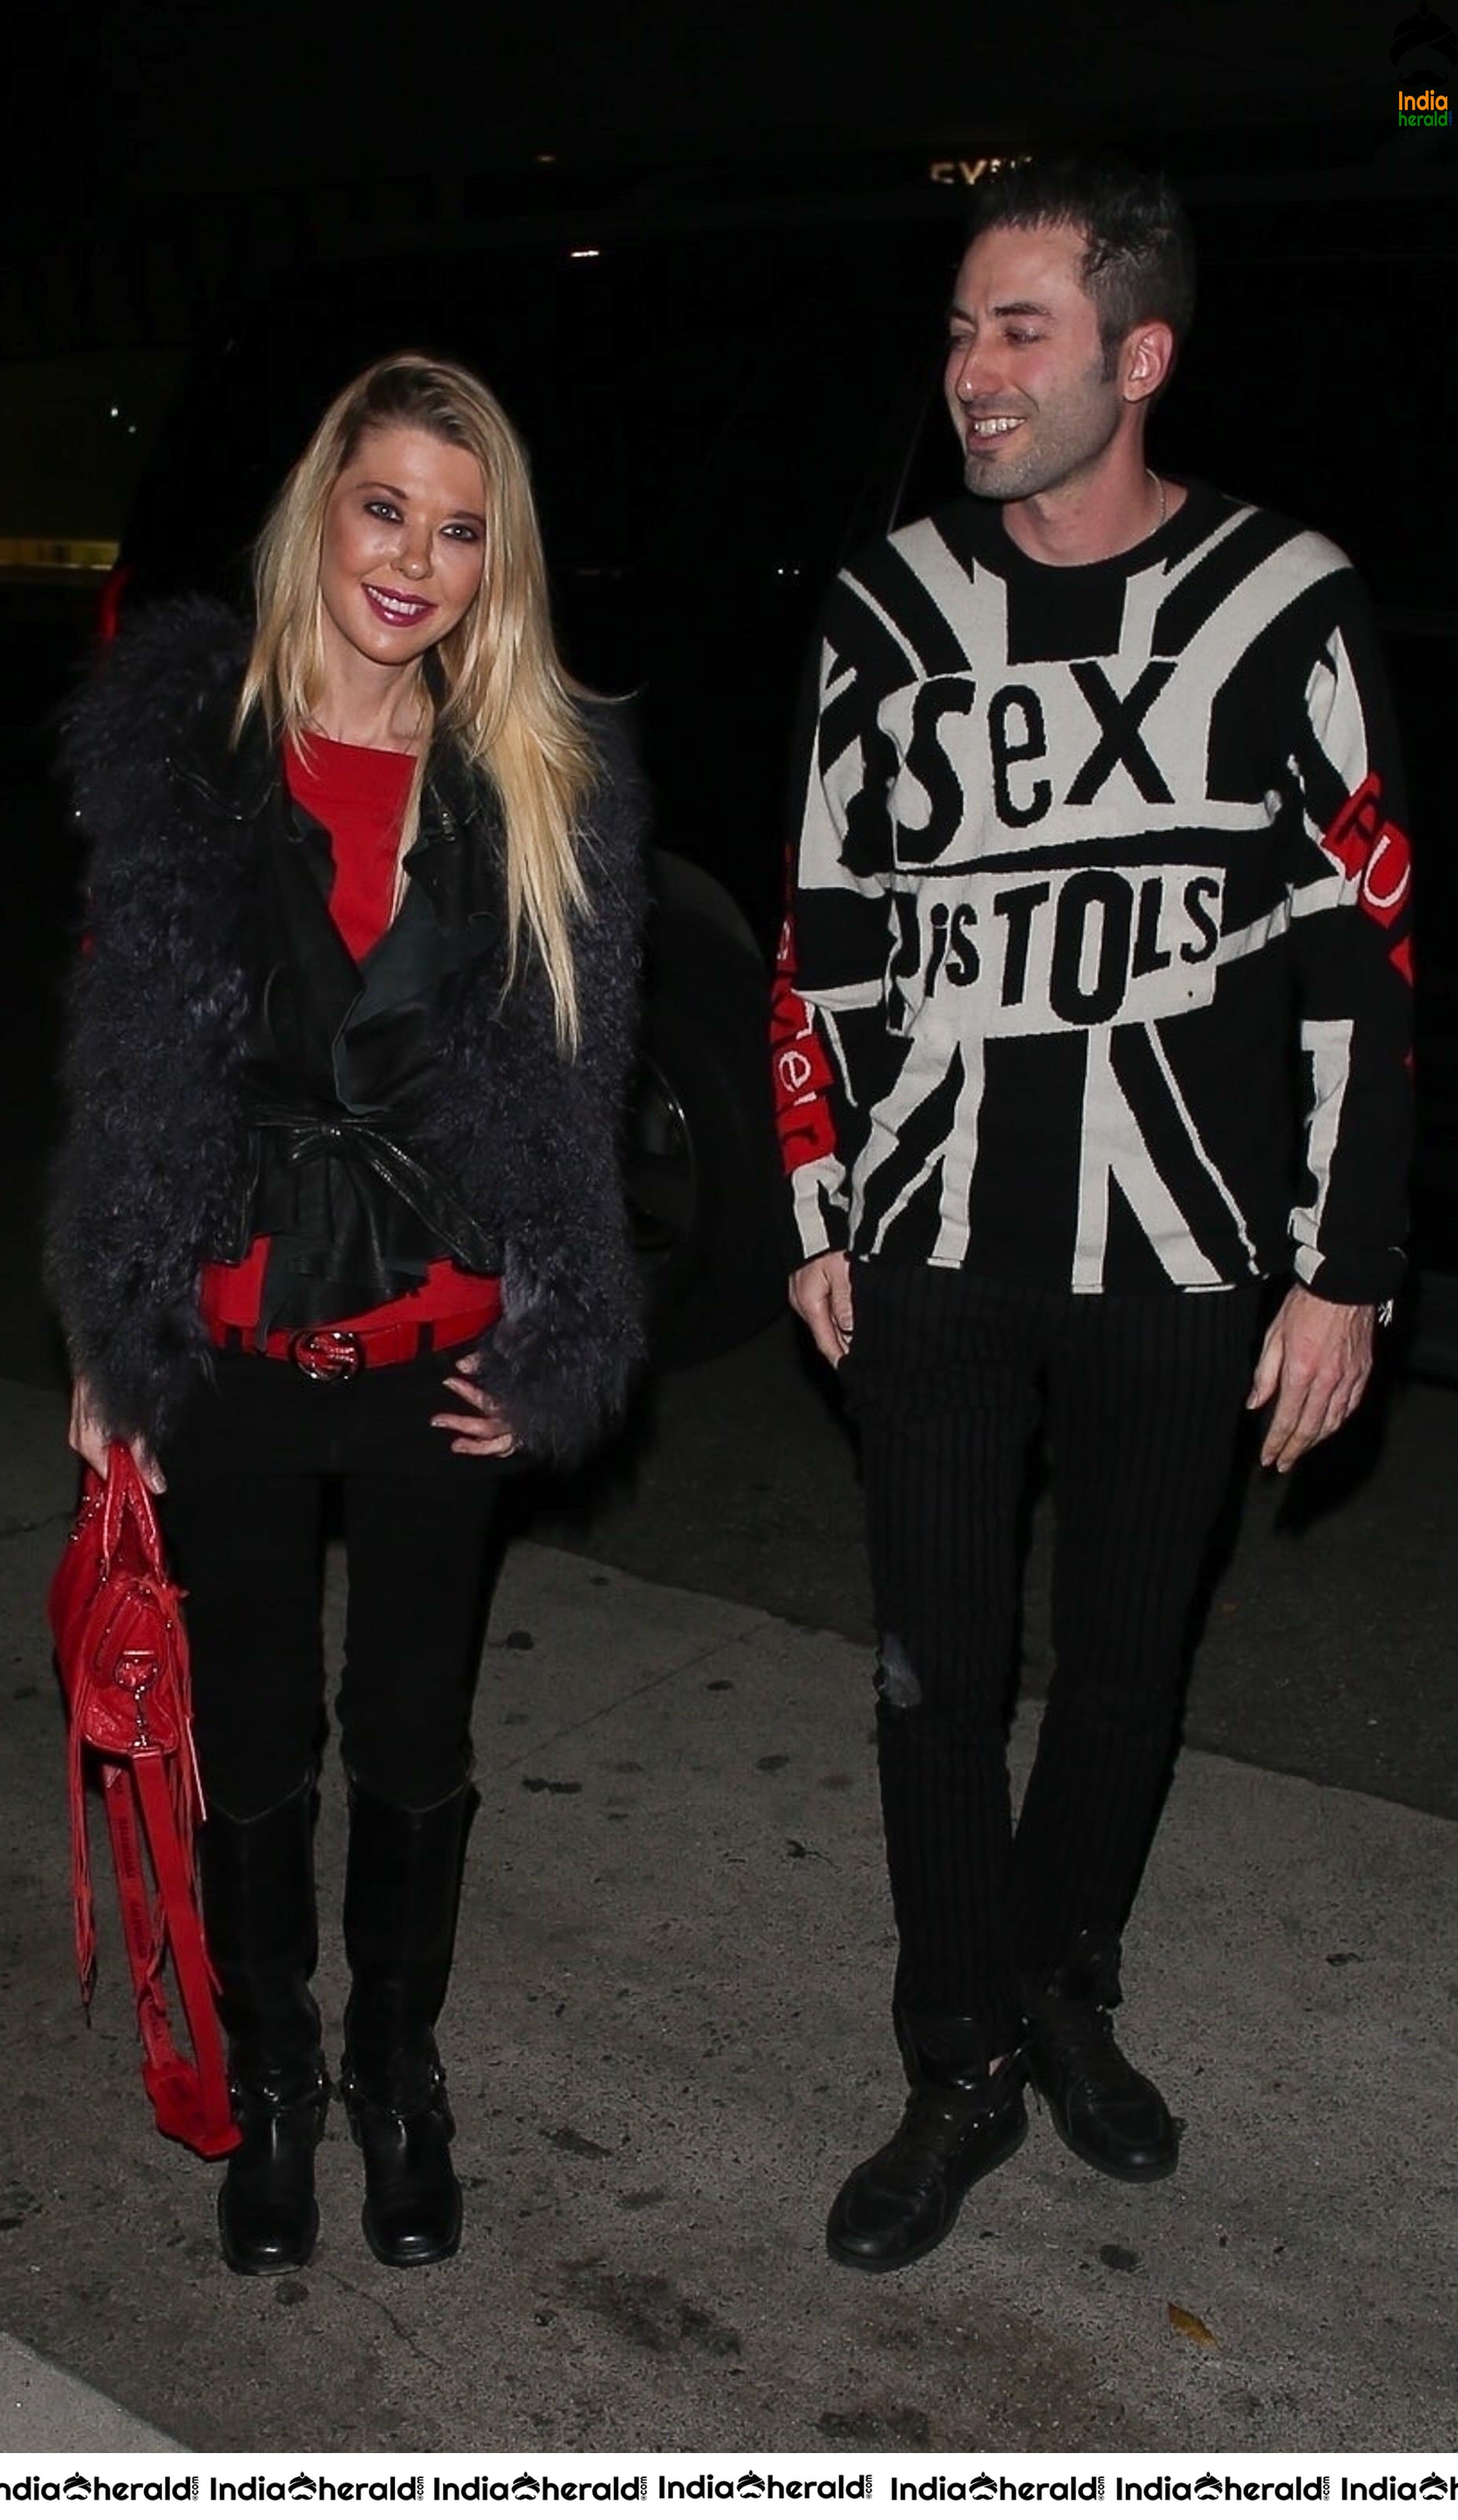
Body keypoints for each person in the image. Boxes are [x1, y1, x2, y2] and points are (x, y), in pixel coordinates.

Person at [772, 160, 1412, 2270]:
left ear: (1134, 355)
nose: (967, 372)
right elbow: (820, 938)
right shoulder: (882, 611)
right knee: (928, 1682)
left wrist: (1341, 1268)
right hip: (937, 1253)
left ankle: (1061, 1984)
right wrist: (811, 1203)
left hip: (1186, 1259)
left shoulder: (1280, 598)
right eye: (957, 328)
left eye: (1015, 330)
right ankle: (951, 2051)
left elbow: (1361, 952)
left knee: (1124, 1673)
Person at [46, 354, 646, 2277]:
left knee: (407, 1728)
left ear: (497, 564)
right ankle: (279, 2075)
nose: (414, 557)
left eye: (458, 528)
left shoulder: (540, 776)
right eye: (383, 505)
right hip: (227, 1353)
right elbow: (126, 1061)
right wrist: (106, 1342)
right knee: (249, 1733)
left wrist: (556, 1331)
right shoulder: (187, 749)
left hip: (427, 1355)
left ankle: (398, 2070)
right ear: (323, 508)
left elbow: (578, 1081)